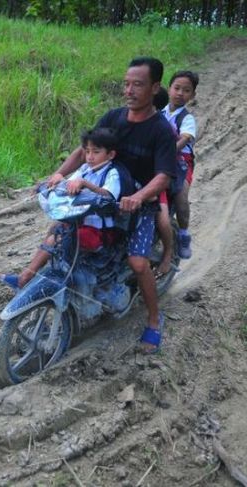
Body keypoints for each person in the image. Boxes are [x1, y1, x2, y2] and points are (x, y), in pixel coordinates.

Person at [47, 57, 177, 354]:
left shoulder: (161, 131)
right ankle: (35, 278)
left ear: (155, 87)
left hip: (139, 206)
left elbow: (165, 175)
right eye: (126, 83)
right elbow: (84, 152)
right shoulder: (113, 117)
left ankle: (154, 320)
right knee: (59, 231)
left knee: (138, 262)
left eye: (138, 85)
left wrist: (140, 196)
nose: (129, 90)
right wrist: (59, 174)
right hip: (102, 198)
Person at [0, 128, 123, 290]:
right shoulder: (85, 169)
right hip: (80, 222)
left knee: (56, 238)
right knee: (55, 228)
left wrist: (85, 184)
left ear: (110, 155)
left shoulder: (111, 173)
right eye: (87, 152)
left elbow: (108, 195)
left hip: (98, 231)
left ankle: (25, 277)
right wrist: (55, 181)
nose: (90, 157)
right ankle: (41, 269)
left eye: (96, 152)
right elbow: (67, 183)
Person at [156, 70, 199, 274]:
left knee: (181, 195)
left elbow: (183, 140)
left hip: (181, 161)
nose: (180, 93)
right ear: (169, 88)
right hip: (158, 159)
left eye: (186, 90)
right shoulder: (159, 112)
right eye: (177, 88)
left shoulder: (187, 118)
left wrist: (169, 150)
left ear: (192, 95)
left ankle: (182, 234)